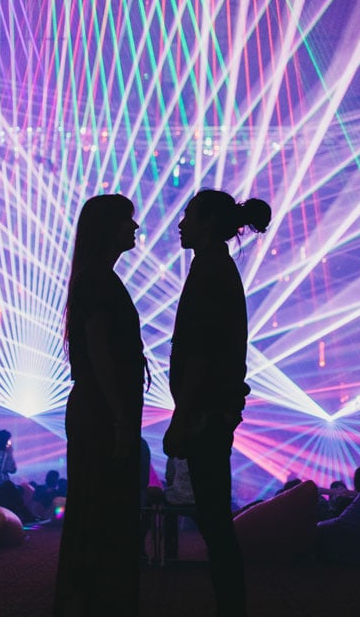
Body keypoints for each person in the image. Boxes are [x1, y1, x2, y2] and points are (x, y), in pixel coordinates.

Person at [163, 189, 271, 617]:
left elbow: (201, 353)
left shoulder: (209, 268)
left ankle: (231, 606)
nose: (181, 224)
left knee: (213, 520)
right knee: (212, 517)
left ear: (207, 223)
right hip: (214, 408)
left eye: (188, 216)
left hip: (206, 411)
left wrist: (181, 416)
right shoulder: (215, 266)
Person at [54, 194, 146, 616]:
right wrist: (123, 420)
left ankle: (89, 597)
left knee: (96, 502)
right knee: (103, 504)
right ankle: (96, 600)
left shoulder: (93, 277)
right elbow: (101, 353)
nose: (136, 228)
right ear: (109, 227)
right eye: (128, 220)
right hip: (101, 409)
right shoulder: (99, 279)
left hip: (96, 406)